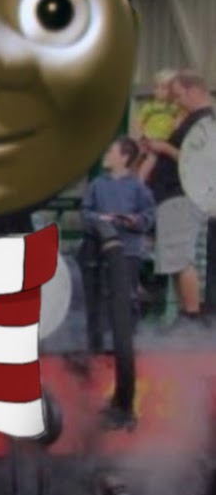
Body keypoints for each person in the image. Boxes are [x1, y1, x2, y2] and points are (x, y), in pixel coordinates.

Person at [145, 69, 215, 323]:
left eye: (178, 95)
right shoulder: (190, 120)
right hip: (170, 194)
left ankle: (192, 315)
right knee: (174, 259)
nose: (176, 102)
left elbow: (199, 162)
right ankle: (186, 313)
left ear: (193, 91)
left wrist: (164, 147)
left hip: (180, 194)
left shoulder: (204, 123)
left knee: (181, 258)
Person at [81, 136, 156, 321]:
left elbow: (149, 217)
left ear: (124, 157)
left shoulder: (138, 188)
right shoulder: (97, 185)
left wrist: (135, 221)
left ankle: (130, 332)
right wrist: (99, 219)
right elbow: (85, 213)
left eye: (110, 151)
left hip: (128, 251)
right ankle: (103, 332)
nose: (105, 155)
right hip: (101, 251)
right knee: (102, 295)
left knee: (126, 295)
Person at [133, 69, 182, 184]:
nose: (159, 91)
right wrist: (140, 136)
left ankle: (141, 179)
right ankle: (136, 178)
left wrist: (176, 124)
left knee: (152, 159)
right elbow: (139, 121)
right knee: (141, 155)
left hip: (165, 139)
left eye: (164, 88)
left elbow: (179, 118)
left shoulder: (174, 107)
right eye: (156, 87)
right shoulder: (150, 106)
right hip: (150, 137)